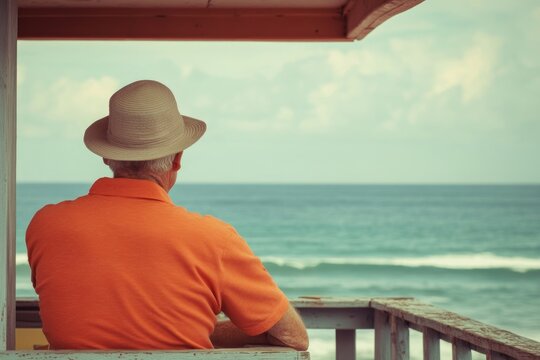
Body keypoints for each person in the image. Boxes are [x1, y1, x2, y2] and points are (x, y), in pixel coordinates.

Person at [26, 80, 308, 351]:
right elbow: (293, 338)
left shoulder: (46, 226)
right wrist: (195, 328)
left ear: (107, 156)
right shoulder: (214, 239)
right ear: (177, 159)